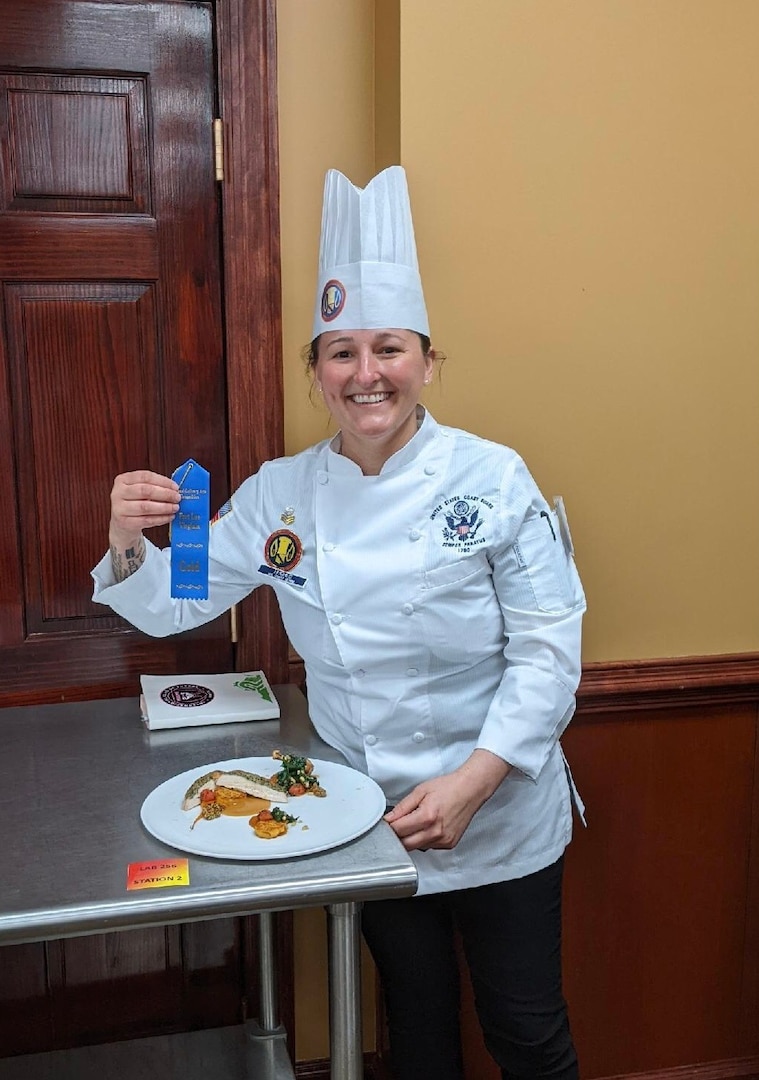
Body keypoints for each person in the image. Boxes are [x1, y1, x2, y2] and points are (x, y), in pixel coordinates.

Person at [92, 165, 586, 1080]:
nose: (367, 375)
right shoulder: (278, 496)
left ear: (429, 363)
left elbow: (549, 652)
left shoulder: (493, 478)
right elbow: (175, 604)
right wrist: (127, 540)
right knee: (414, 1031)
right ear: (315, 373)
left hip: (502, 806)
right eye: (341, 352)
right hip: (370, 816)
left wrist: (475, 781)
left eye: (389, 348)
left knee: (526, 1030)